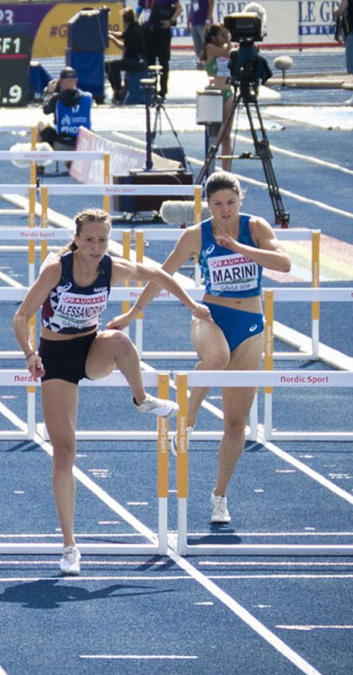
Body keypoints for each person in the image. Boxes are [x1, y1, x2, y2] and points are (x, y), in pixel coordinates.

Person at [12, 208, 210, 576]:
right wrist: (30, 353)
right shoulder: (57, 269)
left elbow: (159, 274)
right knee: (64, 452)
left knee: (119, 340)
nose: (96, 246)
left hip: (91, 350)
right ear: (76, 238)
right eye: (89, 239)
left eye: (103, 239)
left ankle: (141, 400)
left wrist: (191, 305)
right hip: (56, 358)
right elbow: (20, 316)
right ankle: (70, 546)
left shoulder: (111, 267)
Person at [125, 172, 290, 527]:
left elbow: (284, 264)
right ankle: (187, 421)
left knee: (235, 423)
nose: (225, 211)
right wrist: (133, 313)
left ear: (239, 200)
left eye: (230, 203)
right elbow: (162, 274)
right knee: (216, 358)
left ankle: (219, 495)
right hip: (211, 316)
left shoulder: (255, 227)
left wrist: (241, 248)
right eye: (217, 205)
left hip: (249, 327)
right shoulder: (195, 235)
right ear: (207, 205)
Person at [137, 0, 180, 98]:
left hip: (162, 31)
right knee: (149, 61)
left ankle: (163, 90)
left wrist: (170, 21)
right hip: (149, 32)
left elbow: (179, 7)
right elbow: (139, 9)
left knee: (163, 61)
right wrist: (134, 21)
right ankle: (152, 89)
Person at [201, 23, 234, 162]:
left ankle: (227, 170)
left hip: (227, 93)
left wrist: (227, 39)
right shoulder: (210, 48)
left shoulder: (224, 47)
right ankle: (211, 163)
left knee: (227, 135)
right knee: (216, 134)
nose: (225, 36)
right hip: (215, 94)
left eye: (226, 33)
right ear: (214, 38)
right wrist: (229, 40)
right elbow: (228, 53)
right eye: (222, 34)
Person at [38, 67, 93, 152]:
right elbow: (74, 97)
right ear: (76, 80)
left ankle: (39, 164)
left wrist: (50, 93)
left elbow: (46, 109)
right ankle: (72, 162)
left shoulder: (56, 99)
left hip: (60, 143)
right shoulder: (88, 97)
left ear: (61, 82)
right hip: (82, 143)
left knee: (40, 124)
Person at [105, 7, 147, 104]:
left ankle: (118, 89)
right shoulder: (134, 27)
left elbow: (124, 47)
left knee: (110, 66)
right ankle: (119, 89)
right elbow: (122, 35)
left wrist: (112, 39)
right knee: (114, 64)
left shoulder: (133, 31)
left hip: (136, 61)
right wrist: (110, 33)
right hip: (137, 59)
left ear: (124, 19)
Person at [187, 0, 217, 68]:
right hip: (195, 21)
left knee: (207, 48)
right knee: (198, 50)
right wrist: (189, 19)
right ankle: (200, 70)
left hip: (203, 21)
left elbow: (211, 3)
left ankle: (210, 70)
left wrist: (208, 21)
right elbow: (193, 2)